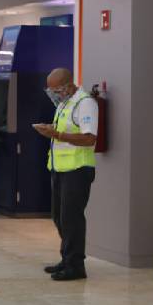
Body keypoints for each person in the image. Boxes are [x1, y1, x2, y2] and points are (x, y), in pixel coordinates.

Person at [33, 68, 98, 281]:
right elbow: (66, 129)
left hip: (78, 170)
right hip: (60, 169)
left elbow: (89, 138)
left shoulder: (85, 103)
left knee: (72, 219)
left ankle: (75, 265)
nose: (54, 94)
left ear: (69, 85)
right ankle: (67, 257)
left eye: (57, 89)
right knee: (59, 217)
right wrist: (51, 129)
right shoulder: (64, 103)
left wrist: (57, 134)